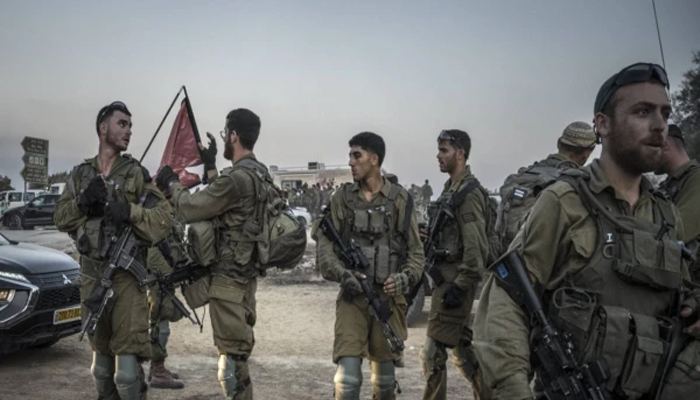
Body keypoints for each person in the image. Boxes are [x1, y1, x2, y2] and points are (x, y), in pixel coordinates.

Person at [474, 62, 700, 399]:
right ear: (602, 124)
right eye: (642, 112)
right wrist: (513, 389)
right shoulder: (565, 201)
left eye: (665, 114)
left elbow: (684, 294)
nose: (659, 125)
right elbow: (506, 301)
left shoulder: (667, 215)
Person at [54, 101, 172, 400]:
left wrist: (130, 211)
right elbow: (59, 218)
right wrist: (82, 203)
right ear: (103, 127)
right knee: (102, 370)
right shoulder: (81, 175)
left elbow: (164, 219)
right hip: (92, 278)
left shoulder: (135, 173)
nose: (128, 131)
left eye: (130, 126)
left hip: (127, 281)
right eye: (122, 124)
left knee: (127, 375)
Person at [156, 108, 265, 400]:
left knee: (232, 364)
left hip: (228, 281)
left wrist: (172, 182)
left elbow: (191, 207)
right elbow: (229, 204)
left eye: (225, 133)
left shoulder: (238, 177)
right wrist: (212, 165)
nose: (224, 138)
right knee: (237, 354)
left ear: (234, 135)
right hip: (245, 278)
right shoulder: (259, 174)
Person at [315, 132, 425, 400]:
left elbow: (416, 253)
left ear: (374, 159)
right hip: (353, 299)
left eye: (357, 156)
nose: (351, 162)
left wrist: (404, 279)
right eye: (350, 156)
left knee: (384, 382)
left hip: (387, 301)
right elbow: (325, 249)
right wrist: (343, 274)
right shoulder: (342, 198)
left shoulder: (400, 200)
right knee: (347, 380)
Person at [420, 129, 492, 400]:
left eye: (444, 150)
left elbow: (476, 247)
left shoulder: (468, 194)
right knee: (464, 351)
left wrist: (460, 286)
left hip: (455, 282)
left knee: (431, 354)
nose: (438, 156)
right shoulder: (452, 188)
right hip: (447, 279)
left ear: (460, 154)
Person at [495, 121, 596, 251]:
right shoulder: (576, 185)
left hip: (507, 256)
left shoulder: (525, 174)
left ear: (558, 143)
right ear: (586, 155)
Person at [655, 120, 700, 281]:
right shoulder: (667, 185)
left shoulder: (696, 179)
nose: (648, 154)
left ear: (665, 145)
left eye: (653, 146)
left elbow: (678, 231)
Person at [146, 218, 187, 389]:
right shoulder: (155, 216)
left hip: (161, 280)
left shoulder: (165, 214)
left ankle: (155, 368)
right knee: (160, 327)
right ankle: (158, 371)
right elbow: (151, 253)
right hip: (157, 281)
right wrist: (169, 274)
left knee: (161, 325)